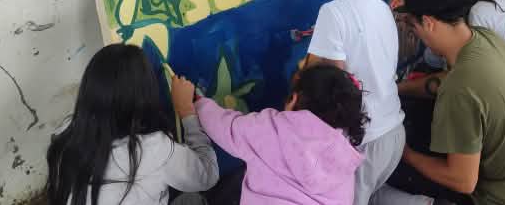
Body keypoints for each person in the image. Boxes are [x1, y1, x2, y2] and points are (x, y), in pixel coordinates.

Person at [378, 0, 505, 205]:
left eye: (413, 27)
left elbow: (463, 181)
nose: (416, 34)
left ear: (429, 23)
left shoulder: (460, 88)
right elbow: (446, 80)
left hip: (497, 198)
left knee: (387, 171)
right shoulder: (482, 38)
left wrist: (405, 154)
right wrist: (399, 88)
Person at [304, 0, 405, 205]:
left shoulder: (332, 12)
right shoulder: (383, 8)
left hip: (363, 142)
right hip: (394, 132)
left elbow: (325, 81)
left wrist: (305, 66)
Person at [46, 44, 219, 205]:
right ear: (144, 97)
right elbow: (208, 174)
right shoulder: (153, 148)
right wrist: (186, 110)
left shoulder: (66, 134)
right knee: (194, 199)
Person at [191, 65, 366, 204]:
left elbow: (226, 127)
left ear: (295, 98)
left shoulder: (273, 129)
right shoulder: (344, 157)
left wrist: (199, 103)